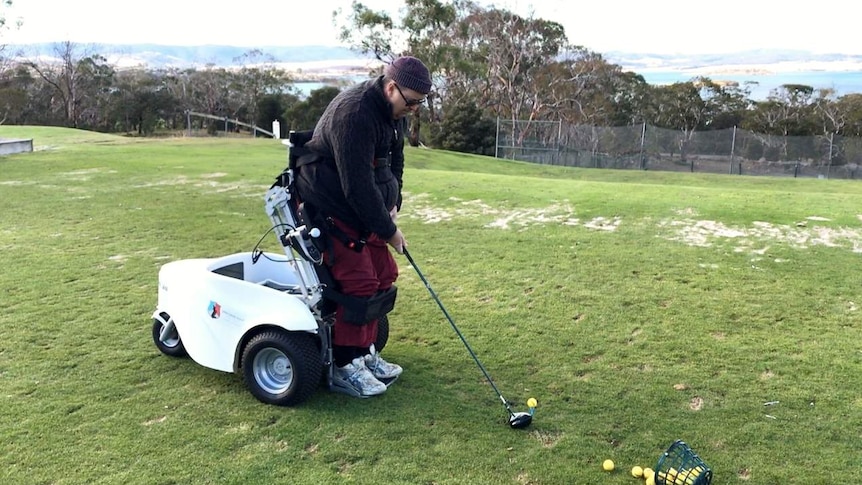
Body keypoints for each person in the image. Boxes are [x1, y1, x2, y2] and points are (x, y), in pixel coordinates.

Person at [294, 55, 432, 397]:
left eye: (419, 105)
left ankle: (366, 353)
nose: (413, 110)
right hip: (332, 205)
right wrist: (388, 230)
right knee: (359, 284)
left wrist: (393, 205)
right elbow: (356, 186)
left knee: (384, 275)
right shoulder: (355, 114)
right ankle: (345, 365)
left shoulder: (395, 111)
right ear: (390, 88)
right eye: (411, 102)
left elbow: (394, 162)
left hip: (366, 209)